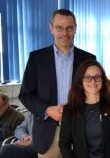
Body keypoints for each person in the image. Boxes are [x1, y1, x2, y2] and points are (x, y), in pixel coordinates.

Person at [19, 9, 96, 158]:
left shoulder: (88, 59)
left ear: (75, 28)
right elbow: (26, 94)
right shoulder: (37, 58)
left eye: (69, 28)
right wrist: (48, 110)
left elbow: (94, 93)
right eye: (59, 28)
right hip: (48, 133)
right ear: (51, 28)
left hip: (81, 130)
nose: (65, 33)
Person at [59, 59, 110, 158]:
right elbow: (64, 144)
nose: (93, 81)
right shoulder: (70, 110)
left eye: (97, 77)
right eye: (87, 77)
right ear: (80, 80)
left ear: (102, 79)